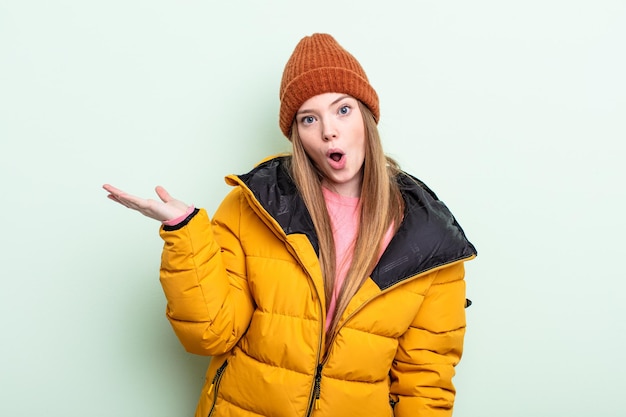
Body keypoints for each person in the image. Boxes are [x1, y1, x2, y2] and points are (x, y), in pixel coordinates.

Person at [103, 33, 477, 417]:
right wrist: (185, 234)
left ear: (367, 117)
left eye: (343, 110)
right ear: (297, 134)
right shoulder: (255, 207)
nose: (328, 130)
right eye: (309, 119)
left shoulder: (429, 239)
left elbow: (425, 380)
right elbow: (210, 333)